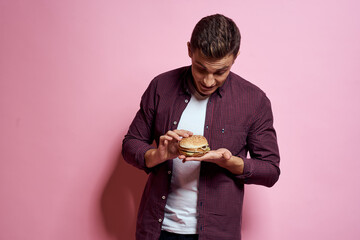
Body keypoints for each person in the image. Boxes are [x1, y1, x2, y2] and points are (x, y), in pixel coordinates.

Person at [122, 14, 280, 240]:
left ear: (235, 58)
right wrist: (157, 155)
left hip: (216, 233)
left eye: (220, 72)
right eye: (200, 68)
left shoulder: (254, 101)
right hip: (157, 230)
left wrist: (229, 162)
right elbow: (131, 144)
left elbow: (270, 170)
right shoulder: (161, 87)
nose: (208, 81)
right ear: (189, 50)